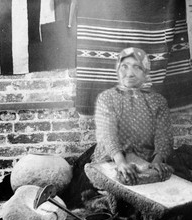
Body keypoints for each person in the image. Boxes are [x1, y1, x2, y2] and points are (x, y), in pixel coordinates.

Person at [61, 47, 175, 209]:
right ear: (118, 70)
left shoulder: (158, 101)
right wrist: (121, 162)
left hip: (146, 159)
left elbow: (164, 135)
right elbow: (108, 133)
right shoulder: (107, 98)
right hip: (112, 156)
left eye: (137, 67)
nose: (130, 73)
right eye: (125, 66)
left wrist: (157, 162)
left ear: (145, 73)